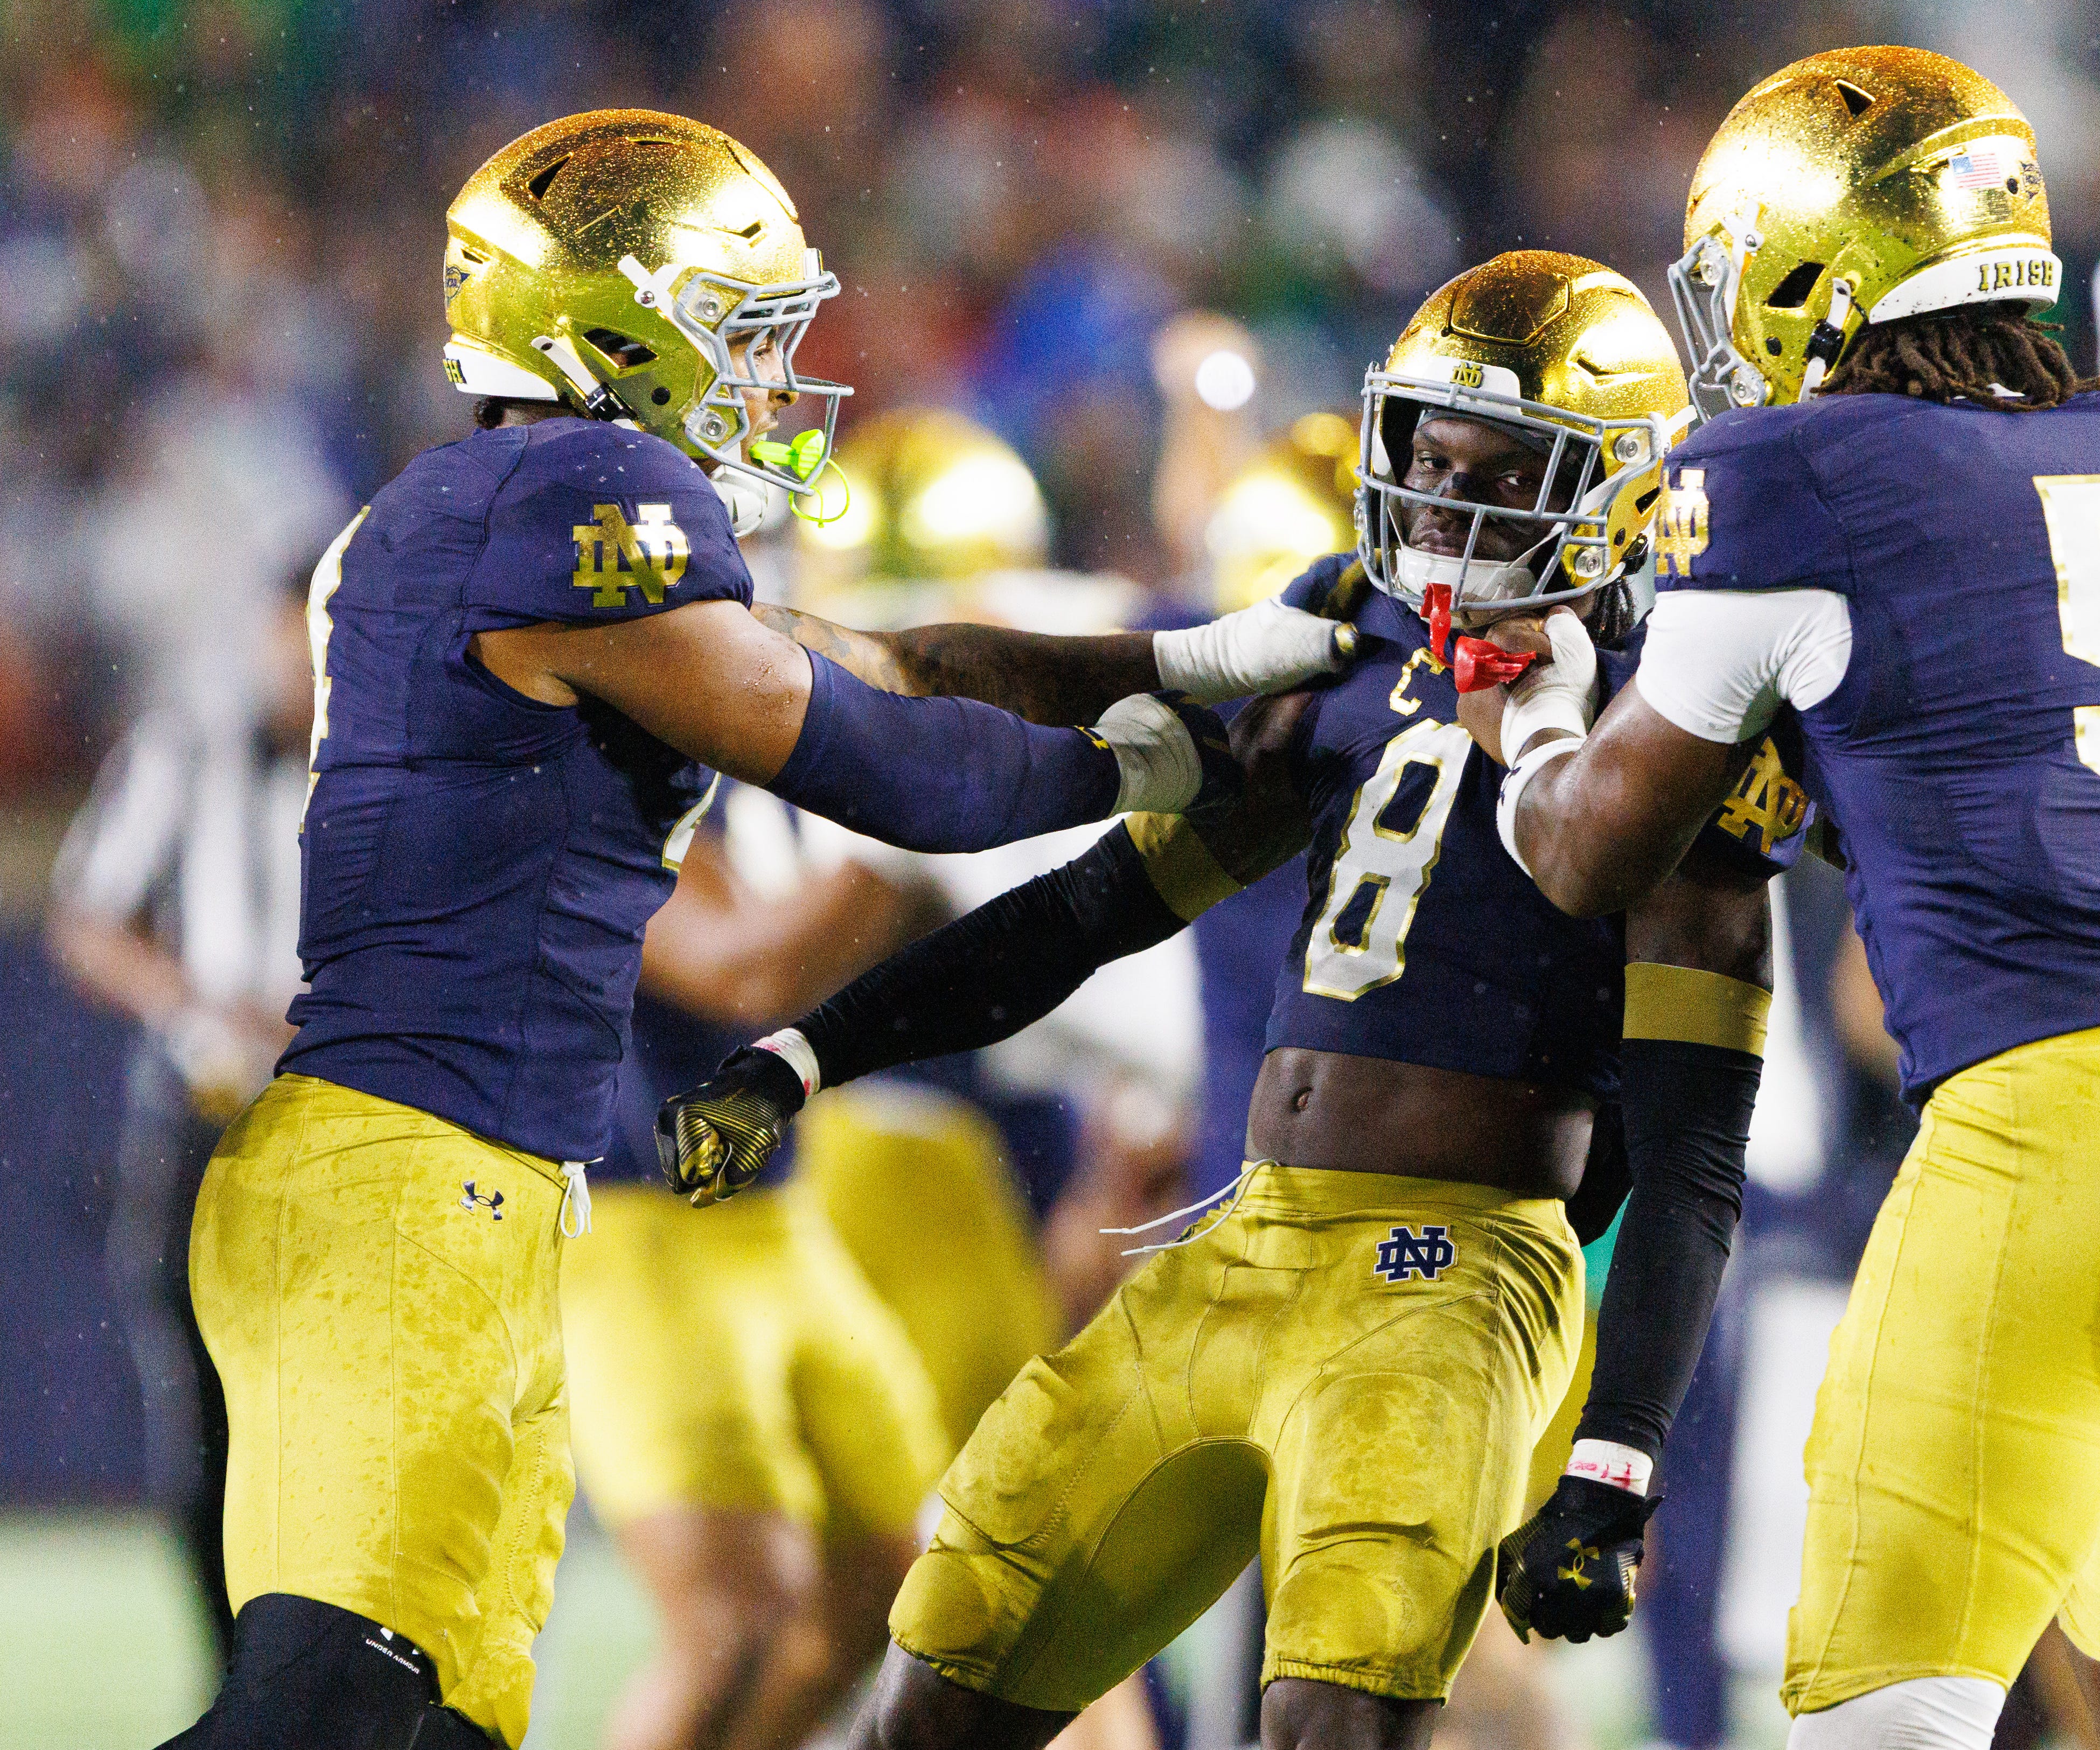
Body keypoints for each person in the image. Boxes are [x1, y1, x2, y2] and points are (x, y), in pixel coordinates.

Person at [169, 108, 1350, 1750]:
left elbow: (905, 663)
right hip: (406, 1185)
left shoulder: (501, 512)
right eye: (736, 329)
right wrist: (1179, 762)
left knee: (426, 1727)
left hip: (464, 1185)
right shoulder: (579, 493)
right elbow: (906, 770)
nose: (767, 371)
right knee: (331, 1718)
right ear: (612, 336)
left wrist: (1202, 664)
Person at [657, 249, 1812, 1750]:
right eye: (1429, 458)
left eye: (1498, 470)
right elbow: (1085, 915)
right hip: (1243, 1238)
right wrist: (808, 1052)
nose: (1446, 507)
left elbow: (1692, 1166)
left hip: (1446, 1274)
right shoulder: (1353, 652)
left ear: (1614, 491)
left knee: (1330, 1718)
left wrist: (1615, 1461)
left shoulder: (1671, 730)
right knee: (938, 1693)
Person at [1464, 48, 2100, 1750]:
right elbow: (2019, 763)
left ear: (1819, 273)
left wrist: (1530, 707)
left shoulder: (1804, 477)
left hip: (2055, 1129)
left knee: (1875, 1723)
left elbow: (1587, 850)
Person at [561, 802, 952, 1750]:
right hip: (634, 1224)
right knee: (733, 1623)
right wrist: (923, 830)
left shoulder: (762, 754)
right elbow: (746, 969)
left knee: (901, 1589)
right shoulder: (596, 748)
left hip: (779, 1212)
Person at [47, 576, 320, 1667]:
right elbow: (87, 918)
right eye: (293, 640)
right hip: (207, 1125)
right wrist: (202, 1005)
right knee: (207, 1419)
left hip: (358, 1137)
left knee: (349, 1415)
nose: (305, 668)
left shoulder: (410, 757)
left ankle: (338, 1676)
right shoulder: (188, 748)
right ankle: (238, 1676)